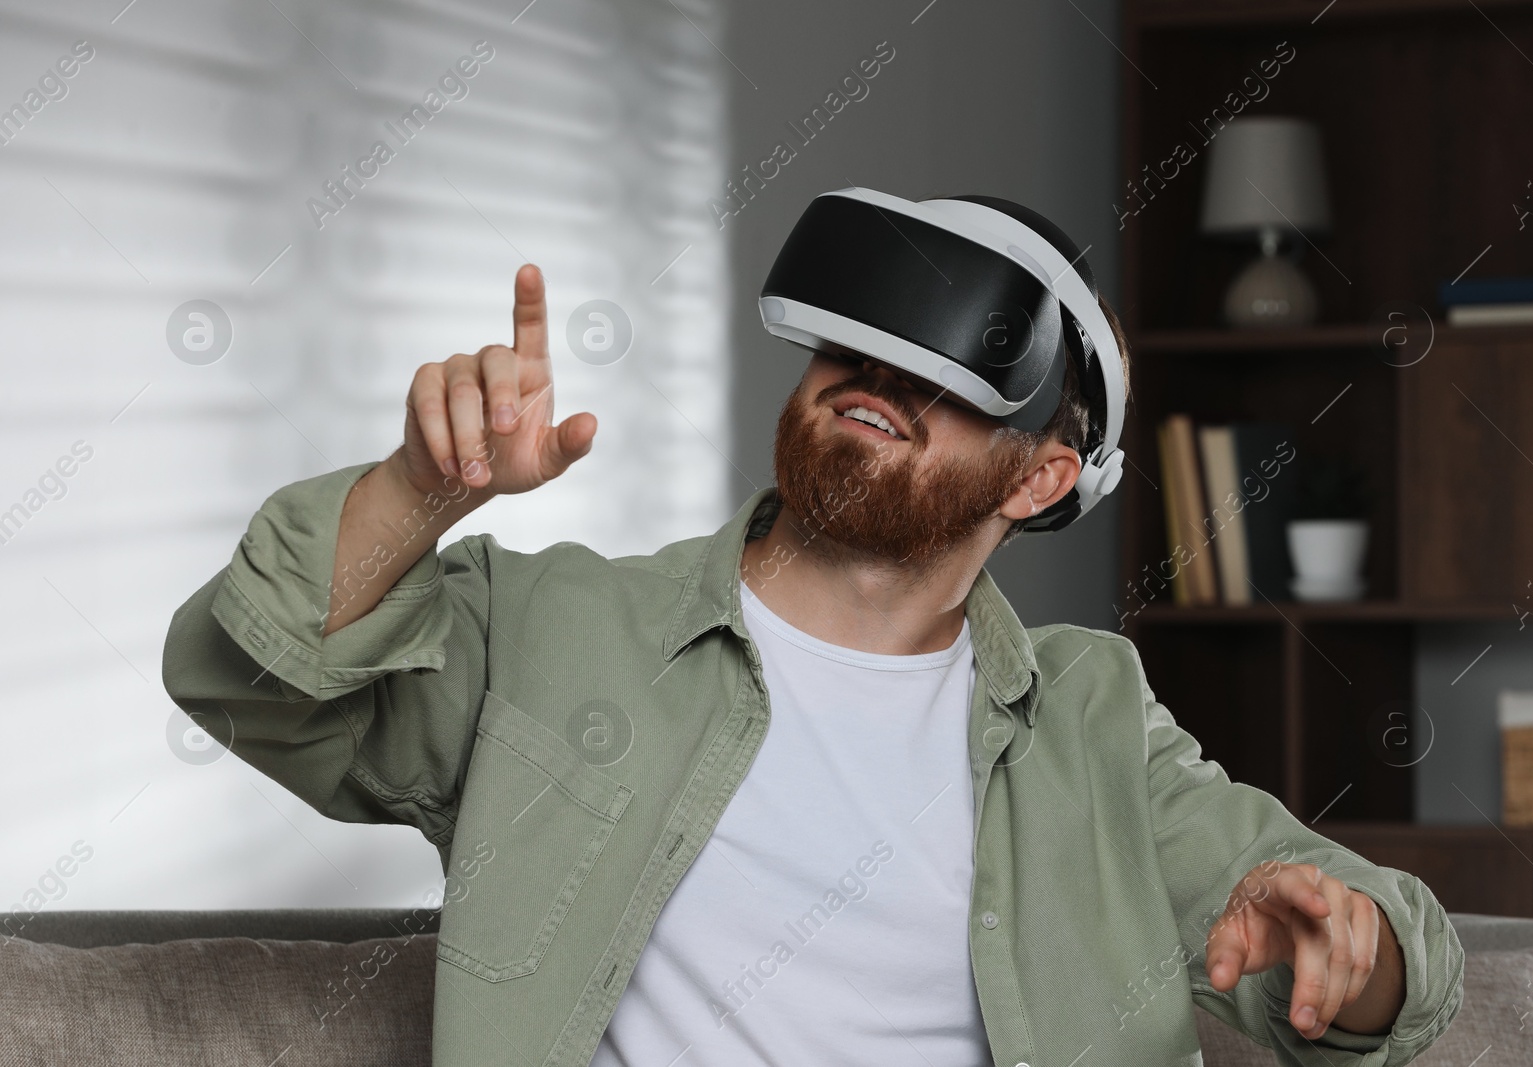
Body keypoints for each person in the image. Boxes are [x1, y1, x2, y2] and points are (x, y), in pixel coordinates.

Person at [162, 260, 1463, 1067]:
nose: (885, 372)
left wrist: (1356, 945)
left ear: (1046, 473)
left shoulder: (1090, 718)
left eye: (960, 369)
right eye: (863, 336)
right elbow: (246, 678)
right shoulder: (552, 631)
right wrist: (418, 490)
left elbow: (1387, 960)